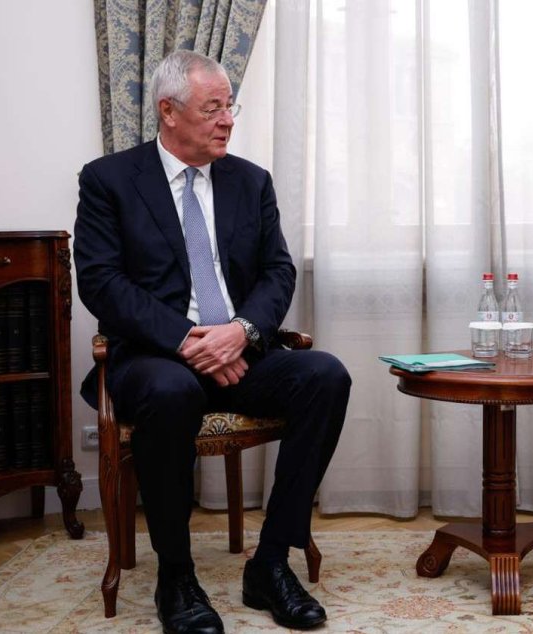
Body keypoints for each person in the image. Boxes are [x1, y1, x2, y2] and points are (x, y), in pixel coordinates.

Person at [74, 50, 351, 634]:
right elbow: (101, 282)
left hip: (240, 353)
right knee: (172, 390)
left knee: (325, 375)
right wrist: (186, 340)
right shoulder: (109, 180)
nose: (227, 120)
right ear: (168, 111)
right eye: (213, 108)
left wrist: (239, 333)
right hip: (154, 360)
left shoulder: (251, 181)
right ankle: (176, 576)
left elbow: (278, 271)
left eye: (230, 107)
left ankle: (270, 563)